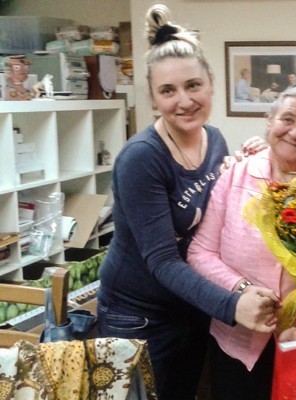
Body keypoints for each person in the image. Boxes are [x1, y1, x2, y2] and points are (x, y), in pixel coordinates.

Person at [96, 4, 279, 399]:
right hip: (139, 316)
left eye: (193, 85)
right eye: (168, 91)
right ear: (153, 98)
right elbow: (162, 260)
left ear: (211, 85)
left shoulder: (215, 140)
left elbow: (220, 226)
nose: (184, 101)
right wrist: (232, 305)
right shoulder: (142, 159)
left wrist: (256, 167)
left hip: (192, 306)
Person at [187, 84, 296, 400]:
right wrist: (242, 289)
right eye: (287, 119)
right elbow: (200, 252)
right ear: (269, 121)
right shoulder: (235, 176)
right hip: (237, 340)